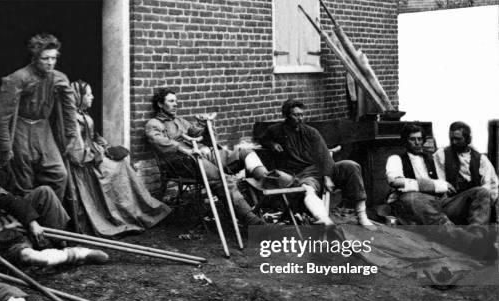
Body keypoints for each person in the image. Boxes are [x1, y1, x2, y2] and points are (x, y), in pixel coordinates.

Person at [0, 137, 108, 267]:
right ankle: (56, 252)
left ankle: (60, 243)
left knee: (45, 192)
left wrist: (31, 221)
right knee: (19, 250)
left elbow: (4, 196)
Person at [145, 88, 271, 226]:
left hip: (203, 156)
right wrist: (184, 150)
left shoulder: (181, 121)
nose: (176, 104)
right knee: (224, 179)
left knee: (245, 153)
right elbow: (160, 142)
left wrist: (205, 126)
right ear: (160, 104)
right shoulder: (154, 124)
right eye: (171, 101)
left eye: (176, 101)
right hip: (184, 164)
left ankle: (269, 182)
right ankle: (251, 221)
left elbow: (206, 140)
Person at [68, 79, 171, 236]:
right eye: (88, 95)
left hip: (94, 154)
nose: (92, 97)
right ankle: (124, 214)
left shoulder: (83, 115)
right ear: (78, 97)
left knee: (122, 163)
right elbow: (77, 151)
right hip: (85, 164)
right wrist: (97, 154)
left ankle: (141, 210)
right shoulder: (73, 119)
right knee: (116, 170)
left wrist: (107, 147)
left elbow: (93, 137)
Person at [385, 124, 495, 258]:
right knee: (413, 198)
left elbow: (447, 179)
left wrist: (444, 186)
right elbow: (395, 181)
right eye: (412, 139)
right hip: (415, 202)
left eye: (420, 139)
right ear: (405, 141)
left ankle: (479, 239)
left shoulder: (430, 158)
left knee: (481, 192)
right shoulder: (396, 158)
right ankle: (468, 242)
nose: (417, 142)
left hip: (438, 202)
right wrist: (432, 185)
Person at [258, 99, 373, 227]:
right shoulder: (276, 130)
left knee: (351, 166)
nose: (300, 118)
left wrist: (327, 176)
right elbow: (263, 139)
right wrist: (272, 144)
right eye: (296, 115)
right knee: (308, 189)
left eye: (302, 114)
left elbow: (323, 155)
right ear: (286, 115)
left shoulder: (311, 132)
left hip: (321, 169)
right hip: (301, 174)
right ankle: (323, 219)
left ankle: (361, 214)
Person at [0, 33, 77, 200]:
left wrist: (72, 135)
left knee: (59, 174)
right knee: (24, 178)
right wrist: (5, 145)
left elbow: (69, 109)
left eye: (53, 58)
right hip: (21, 128)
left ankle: (50, 213)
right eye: (45, 58)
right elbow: (0, 117)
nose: (50, 62)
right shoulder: (18, 78)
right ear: (35, 58)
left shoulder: (59, 78)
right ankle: (30, 219)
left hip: (42, 128)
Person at [433, 121, 498, 215]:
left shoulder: (481, 160)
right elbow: (440, 181)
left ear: (468, 139)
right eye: (452, 139)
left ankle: (477, 229)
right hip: (451, 202)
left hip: (476, 203)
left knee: (483, 192)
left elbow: (490, 186)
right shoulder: (441, 154)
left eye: (458, 139)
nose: (454, 142)